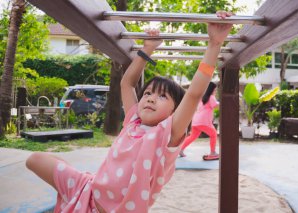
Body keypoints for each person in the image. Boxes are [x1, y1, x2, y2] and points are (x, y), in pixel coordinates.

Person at [25, 11, 233, 212]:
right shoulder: (133, 120)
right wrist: (147, 50)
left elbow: (194, 94)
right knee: (34, 160)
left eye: (162, 96)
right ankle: (83, 181)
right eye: (149, 93)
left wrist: (215, 44)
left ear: (175, 112)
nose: (151, 97)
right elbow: (127, 84)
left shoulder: (167, 135)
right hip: (87, 190)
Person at [179, 82, 220, 160]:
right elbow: (215, 106)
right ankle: (212, 152)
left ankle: (180, 149)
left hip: (196, 121)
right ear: (211, 90)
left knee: (193, 136)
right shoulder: (211, 97)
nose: (215, 91)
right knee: (213, 134)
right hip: (204, 121)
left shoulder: (203, 98)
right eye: (215, 90)